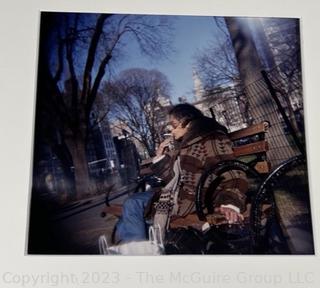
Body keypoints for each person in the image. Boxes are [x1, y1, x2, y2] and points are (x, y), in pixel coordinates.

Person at [113, 103, 247, 243]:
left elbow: (232, 172)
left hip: (192, 200)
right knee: (128, 213)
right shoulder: (186, 143)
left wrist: (230, 203)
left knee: (132, 205)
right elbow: (173, 178)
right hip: (178, 194)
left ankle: (140, 253)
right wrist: (160, 157)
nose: (170, 130)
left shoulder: (209, 138)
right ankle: (138, 250)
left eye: (173, 124)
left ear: (184, 122)